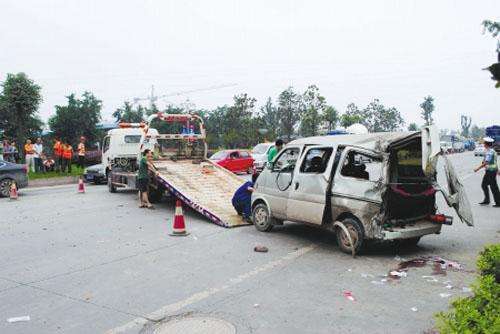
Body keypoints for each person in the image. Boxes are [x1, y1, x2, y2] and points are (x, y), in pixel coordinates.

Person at [474, 137, 499, 207]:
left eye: (484, 143)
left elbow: (486, 162)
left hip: (490, 171)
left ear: (486, 144)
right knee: (484, 185)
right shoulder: (491, 151)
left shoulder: (489, 152)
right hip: (491, 171)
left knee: (493, 187)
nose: (483, 144)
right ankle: (487, 200)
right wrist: (498, 170)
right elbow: (495, 162)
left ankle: (498, 202)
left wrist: (477, 168)